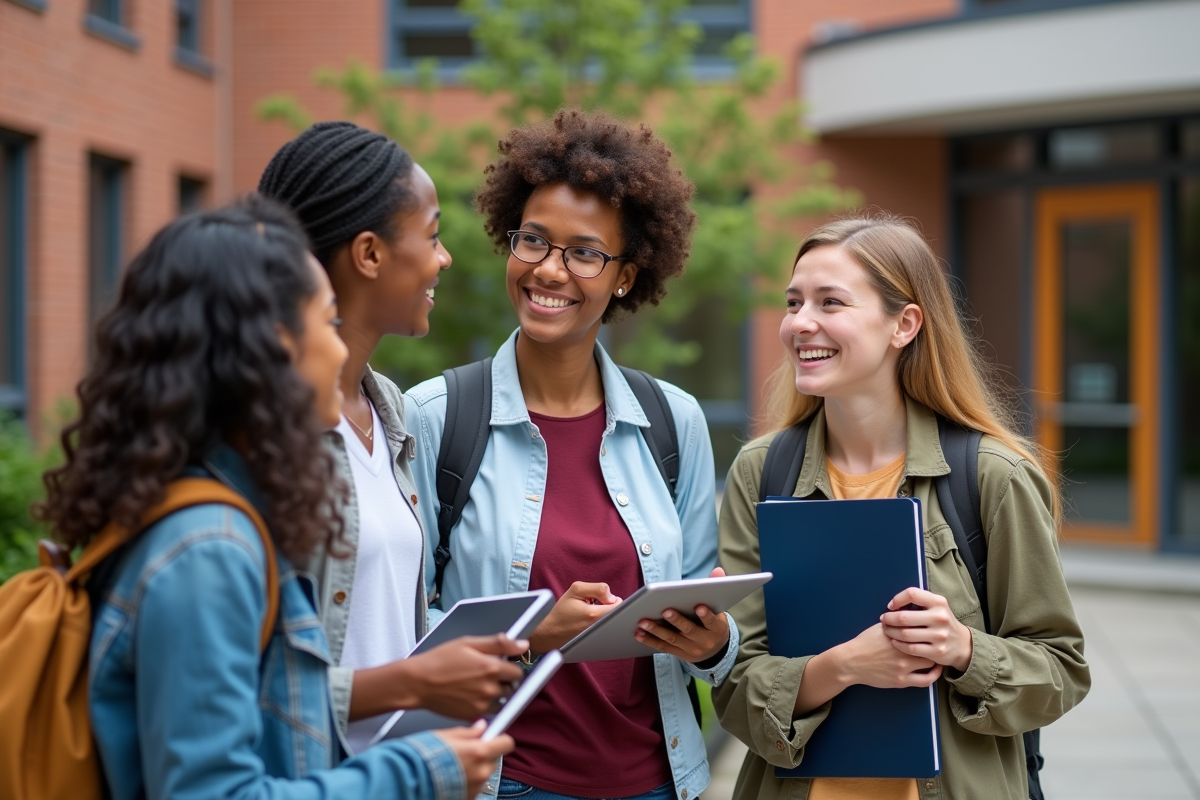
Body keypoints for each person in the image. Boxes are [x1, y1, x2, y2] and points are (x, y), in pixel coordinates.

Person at [38, 197, 511, 800]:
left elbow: (273, 703)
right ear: (267, 351)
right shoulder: (210, 548)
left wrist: (413, 689)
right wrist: (419, 771)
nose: (341, 349)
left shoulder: (216, 510)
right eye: (325, 321)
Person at [404, 109, 738, 800]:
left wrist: (714, 644)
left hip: (660, 782)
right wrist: (529, 633)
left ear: (624, 276)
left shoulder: (674, 422)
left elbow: (713, 628)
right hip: (503, 781)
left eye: (584, 252)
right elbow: (397, 630)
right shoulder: (435, 417)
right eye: (533, 241)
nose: (549, 270)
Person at [713, 215, 1091, 800]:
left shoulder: (993, 475)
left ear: (904, 324)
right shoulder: (761, 473)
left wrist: (963, 649)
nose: (800, 323)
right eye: (793, 302)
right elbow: (734, 684)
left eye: (831, 302)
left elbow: (1060, 670)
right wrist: (843, 666)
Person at [258, 121, 527, 755]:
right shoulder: (266, 433)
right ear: (370, 254)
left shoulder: (392, 416)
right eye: (431, 236)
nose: (444, 258)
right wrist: (412, 682)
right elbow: (237, 691)